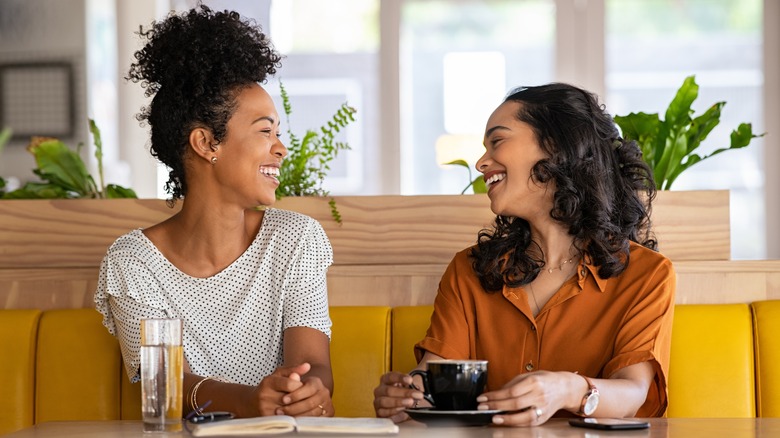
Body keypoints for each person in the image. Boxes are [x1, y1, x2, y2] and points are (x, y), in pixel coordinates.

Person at [373, 83, 676, 426]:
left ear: (558, 146)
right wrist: (405, 396)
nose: (481, 162)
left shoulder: (647, 274)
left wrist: (567, 388)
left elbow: (632, 393)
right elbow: (431, 383)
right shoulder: (467, 271)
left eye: (497, 141)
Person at [94, 5, 335, 419]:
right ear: (206, 143)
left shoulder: (296, 239)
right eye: (265, 131)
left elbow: (316, 366)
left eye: (279, 132)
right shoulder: (132, 263)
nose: (281, 148)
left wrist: (307, 391)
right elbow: (166, 386)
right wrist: (249, 401)